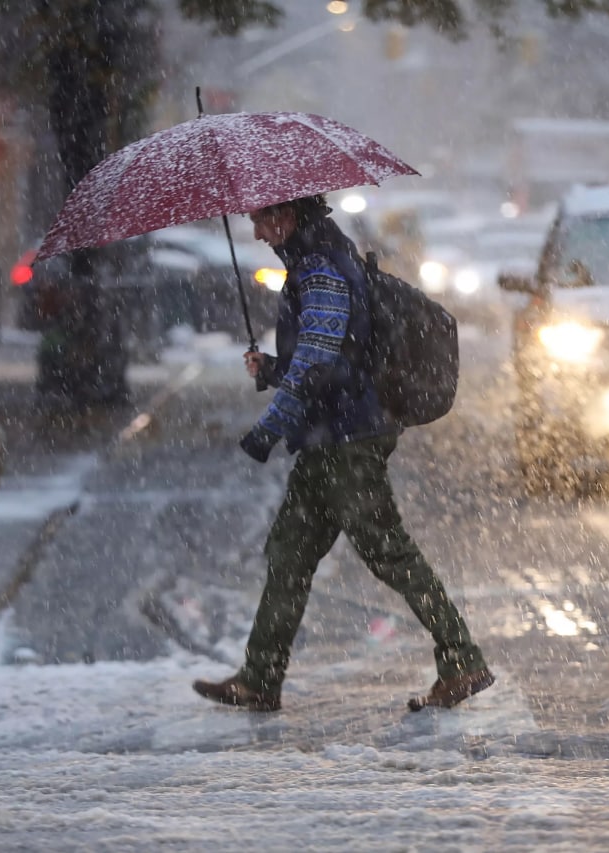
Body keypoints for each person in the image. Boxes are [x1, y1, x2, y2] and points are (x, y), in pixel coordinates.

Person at [193, 194, 494, 712]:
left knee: (389, 553)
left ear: (287, 215)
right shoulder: (318, 262)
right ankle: (260, 677)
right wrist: (270, 369)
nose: (258, 233)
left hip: (348, 439)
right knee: (289, 553)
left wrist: (267, 429)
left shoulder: (322, 272)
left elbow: (319, 366)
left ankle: (462, 659)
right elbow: (325, 360)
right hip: (328, 438)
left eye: (262, 220)